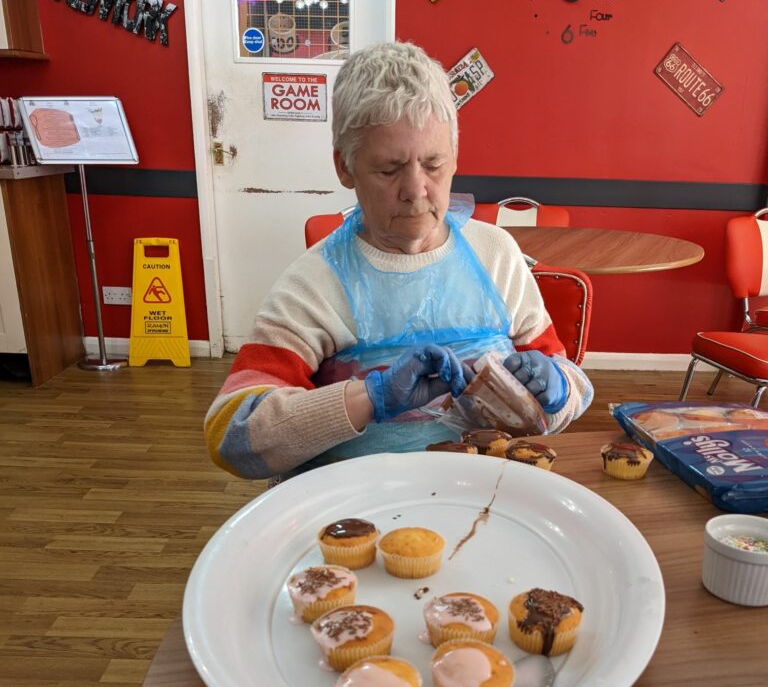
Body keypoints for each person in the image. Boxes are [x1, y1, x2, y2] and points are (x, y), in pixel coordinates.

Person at [205, 41, 593, 479]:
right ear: (344, 167)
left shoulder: (496, 255)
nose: (415, 190)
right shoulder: (316, 284)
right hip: (359, 506)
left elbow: (569, 392)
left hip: (487, 498)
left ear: (455, 157)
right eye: (389, 169)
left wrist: (559, 389)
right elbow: (232, 436)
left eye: (433, 164)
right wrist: (371, 398)